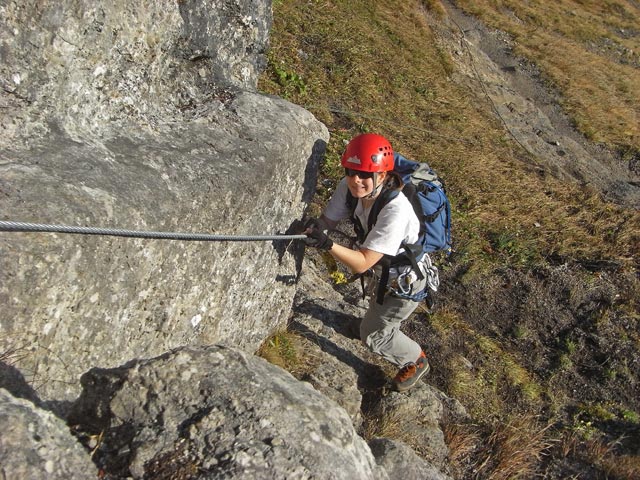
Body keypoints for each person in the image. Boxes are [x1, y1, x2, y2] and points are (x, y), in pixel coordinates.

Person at [304, 133, 432, 392]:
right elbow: (328, 222)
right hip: (385, 273)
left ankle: (415, 359)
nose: (355, 180)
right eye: (351, 171)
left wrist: (326, 244)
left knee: (375, 336)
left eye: (364, 174)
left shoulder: (395, 210)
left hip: (405, 282)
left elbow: (362, 263)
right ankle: (372, 324)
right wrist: (316, 228)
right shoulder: (349, 188)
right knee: (376, 315)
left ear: (382, 176)